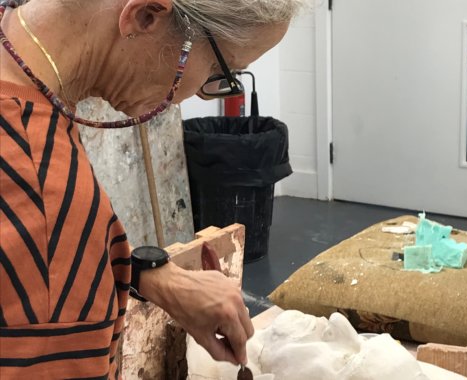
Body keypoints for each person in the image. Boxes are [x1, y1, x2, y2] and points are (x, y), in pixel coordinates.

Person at [0, 0, 305, 378]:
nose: (197, 93)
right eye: (217, 68)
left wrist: (149, 273)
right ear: (145, 16)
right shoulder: (40, 186)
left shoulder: (20, 75)